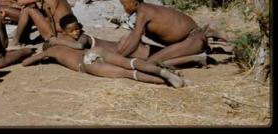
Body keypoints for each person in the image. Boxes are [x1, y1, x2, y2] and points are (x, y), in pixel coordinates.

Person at [21, 40, 190, 88]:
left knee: (127, 73)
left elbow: (26, 64)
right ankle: (166, 73)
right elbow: (80, 45)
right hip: (94, 51)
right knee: (129, 63)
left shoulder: (52, 51)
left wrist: (36, 54)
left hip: (85, 63)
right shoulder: (67, 43)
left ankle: (166, 82)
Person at [117, 0, 209, 66]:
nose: (124, 8)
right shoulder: (145, 9)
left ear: (135, 3)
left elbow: (135, 40)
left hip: (192, 41)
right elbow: (134, 37)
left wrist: (119, 58)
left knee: (151, 63)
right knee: (151, 60)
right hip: (192, 39)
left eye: (125, 5)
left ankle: (196, 58)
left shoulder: (144, 13)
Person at [46, 14, 151, 60]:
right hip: (121, 49)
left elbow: (79, 46)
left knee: (153, 57)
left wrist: (57, 41)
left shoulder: (84, 37)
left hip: (123, 48)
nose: (76, 32)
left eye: (77, 28)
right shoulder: (71, 39)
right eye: (71, 31)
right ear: (64, 32)